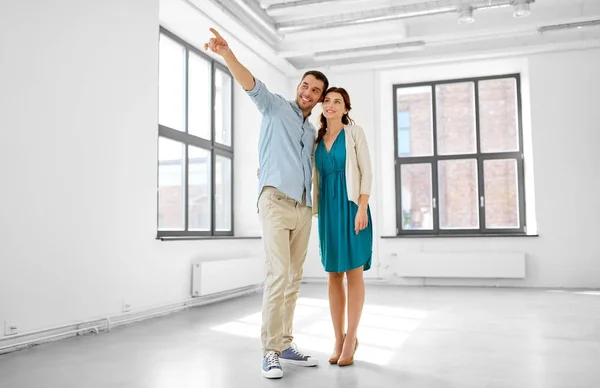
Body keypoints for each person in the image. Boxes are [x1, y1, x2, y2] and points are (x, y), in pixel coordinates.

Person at [204, 28, 328, 379]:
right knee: (277, 275)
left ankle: (285, 342)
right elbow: (249, 82)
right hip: (274, 201)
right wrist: (227, 54)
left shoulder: (309, 131)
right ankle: (269, 351)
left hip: (304, 209)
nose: (308, 92)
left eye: (315, 91)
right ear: (298, 87)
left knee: (294, 278)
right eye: (305, 86)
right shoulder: (275, 106)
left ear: (319, 99)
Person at [311, 87, 373, 367]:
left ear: (346, 109)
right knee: (333, 274)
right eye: (327, 101)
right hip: (327, 210)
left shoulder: (354, 133)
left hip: (350, 206)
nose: (331, 105)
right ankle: (338, 337)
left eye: (338, 101)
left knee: (353, 272)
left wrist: (362, 207)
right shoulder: (316, 139)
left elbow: (366, 170)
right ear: (322, 107)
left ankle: (352, 337)